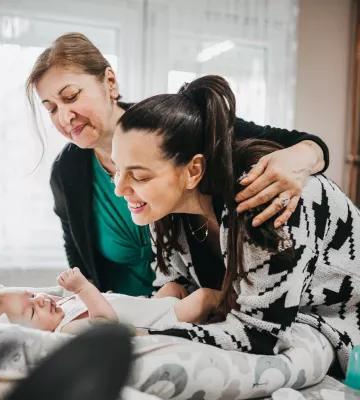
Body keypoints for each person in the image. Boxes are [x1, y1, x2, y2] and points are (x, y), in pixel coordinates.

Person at [26, 33, 329, 297]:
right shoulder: (67, 173)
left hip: (204, 308)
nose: (64, 118)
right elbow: (82, 266)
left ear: (110, 81)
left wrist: (298, 160)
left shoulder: (170, 126)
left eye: (71, 96)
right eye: (51, 108)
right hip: (133, 317)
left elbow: (306, 144)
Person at [111, 75, 360, 374]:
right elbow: (172, 287)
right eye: (117, 170)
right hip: (280, 323)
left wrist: (144, 336)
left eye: (139, 177)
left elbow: (260, 337)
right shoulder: (165, 209)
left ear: (193, 171)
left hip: (336, 328)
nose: (119, 188)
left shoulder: (263, 201)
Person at [0, 267, 221, 334]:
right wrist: (83, 288)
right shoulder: (65, 330)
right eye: (33, 313)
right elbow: (105, 323)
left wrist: (104, 296)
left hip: (151, 305)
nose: (41, 301)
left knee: (173, 286)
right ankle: (241, 311)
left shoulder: (60, 309)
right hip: (162, 320)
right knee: (203, 297)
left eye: (33, 296)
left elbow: (98, 305)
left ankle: (208, 319)